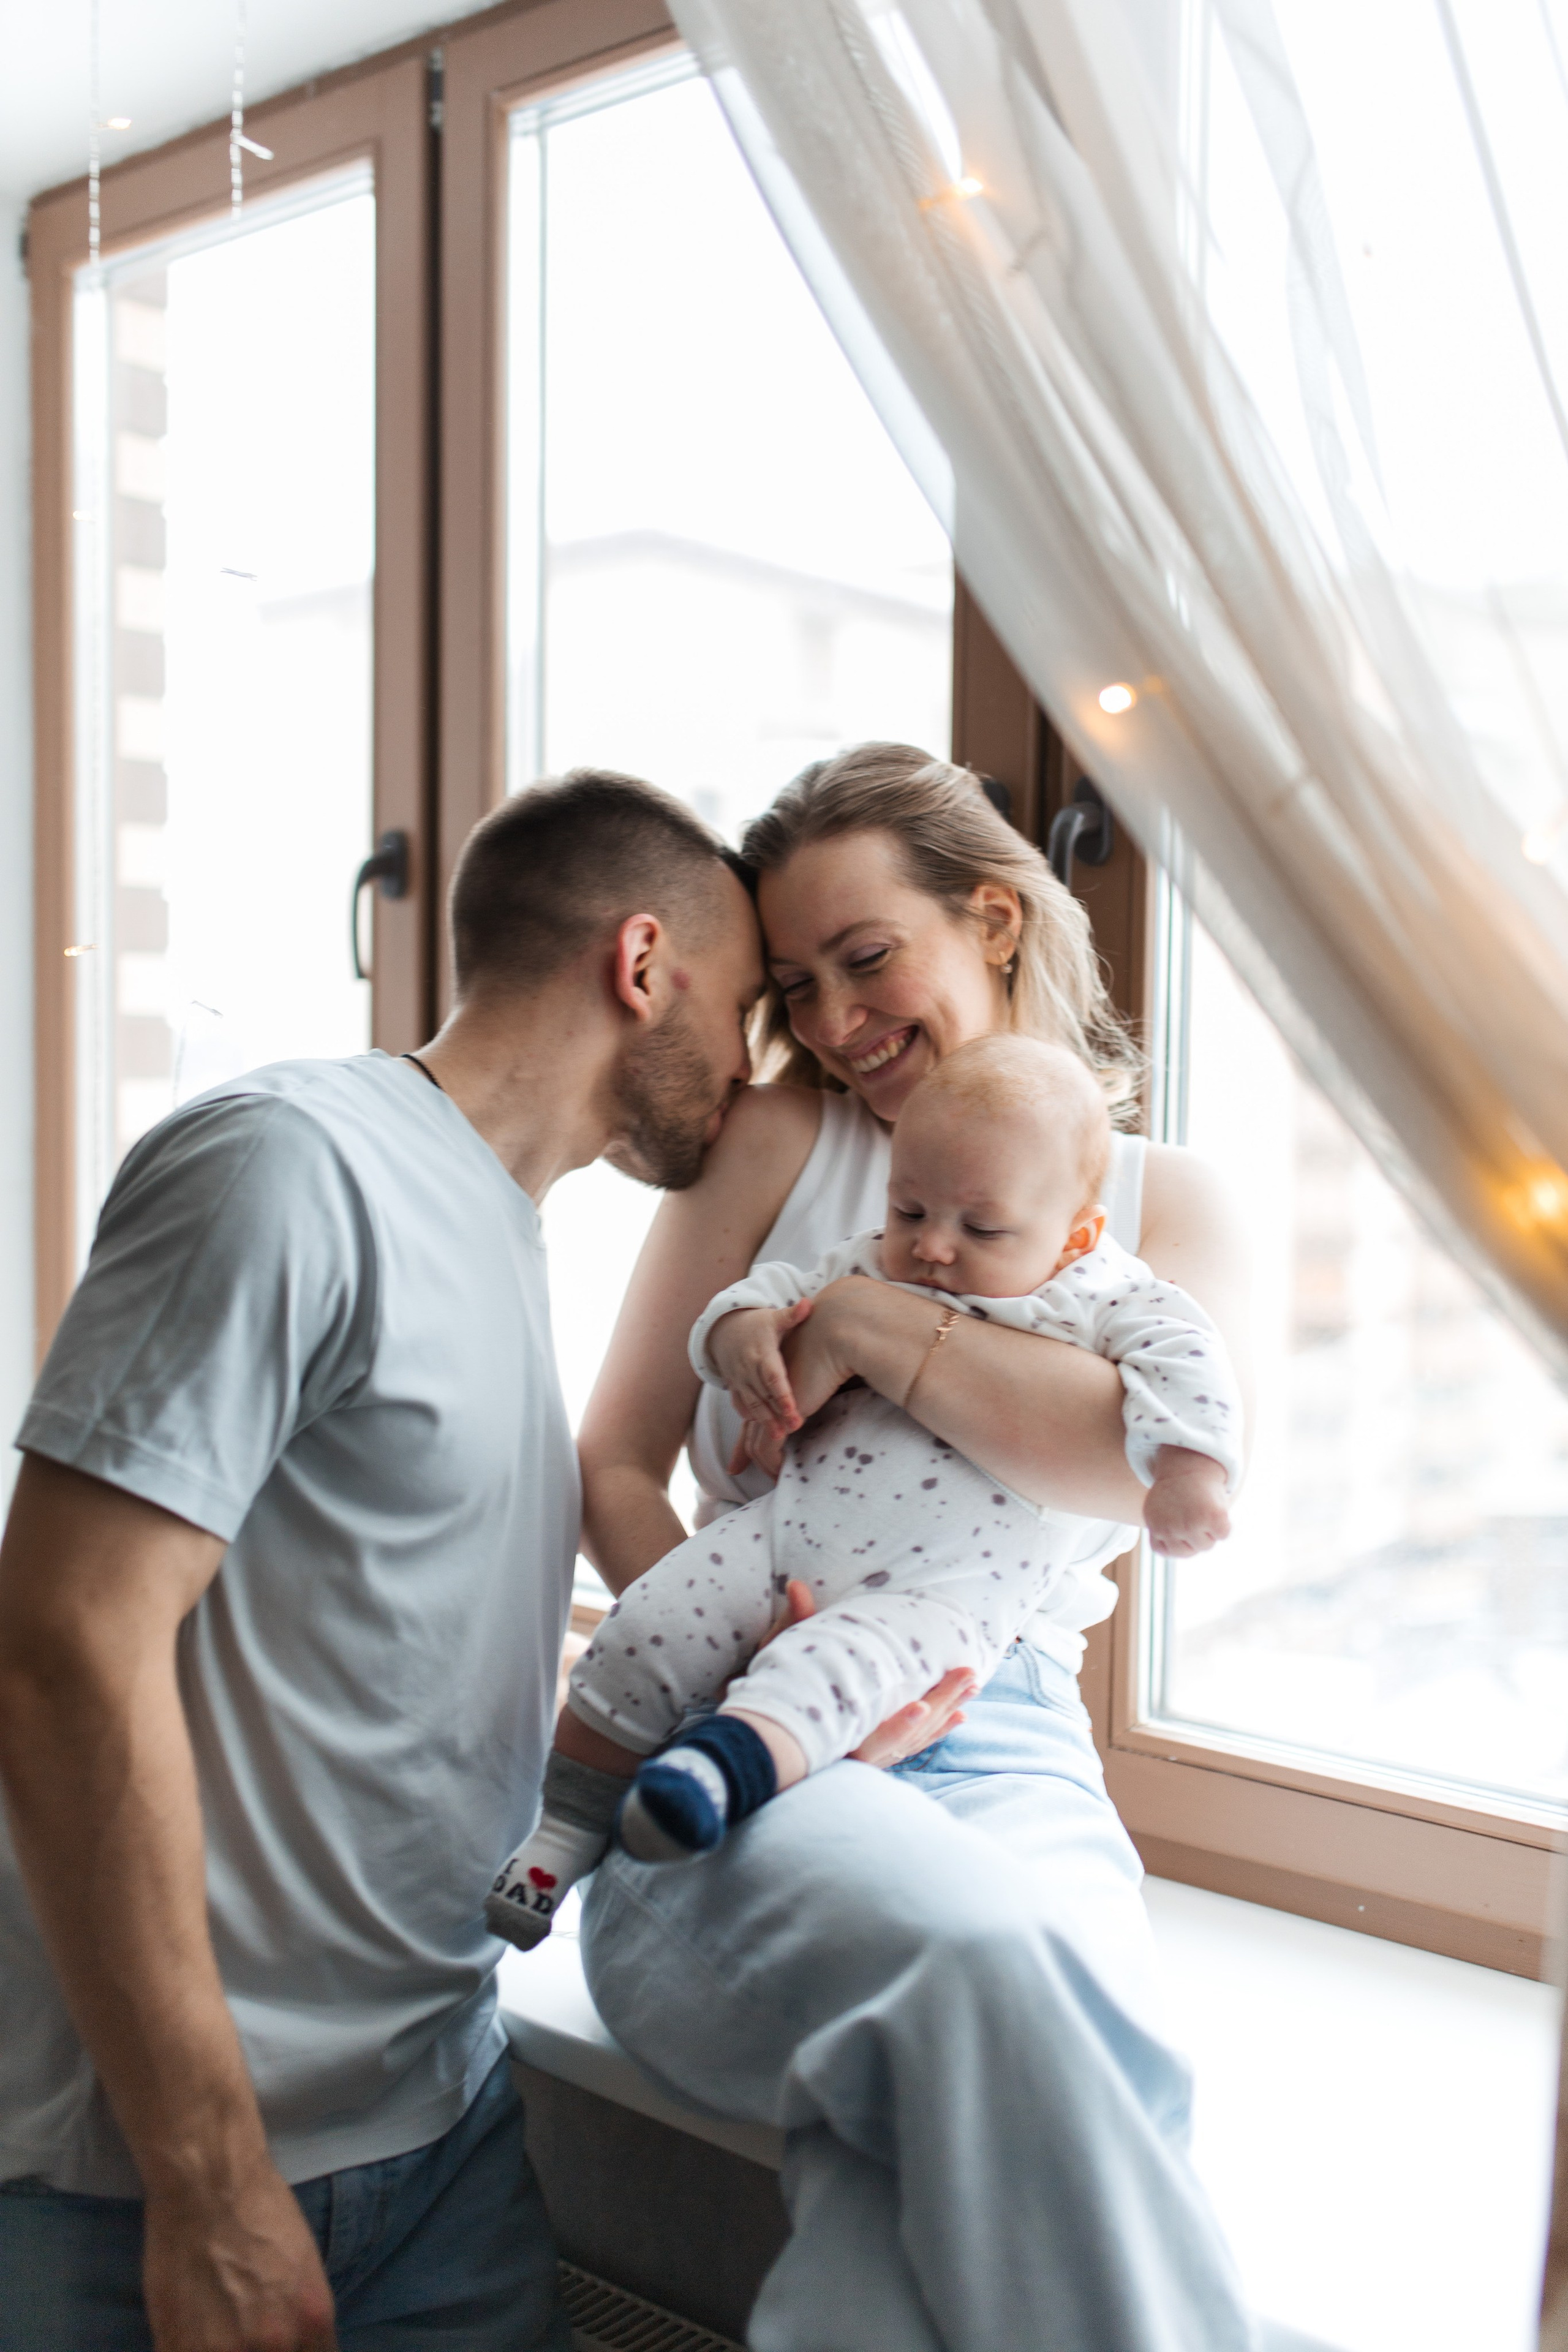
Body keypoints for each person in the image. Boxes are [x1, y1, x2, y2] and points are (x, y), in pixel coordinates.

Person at [0, 771, 764, 2352]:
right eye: (748, 1008)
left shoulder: (499, 1231)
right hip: (155, 2180)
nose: (755, 1074)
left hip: (441, 2126)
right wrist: (207, 2180)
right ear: (643, 965)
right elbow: (61, 1645)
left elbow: (372, 1654)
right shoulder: (289, 1165)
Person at [573, 744, 1260, 2350]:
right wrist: (727, 1663)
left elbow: (1114, 1456)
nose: (832, 1023)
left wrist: (872, 1314)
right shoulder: (776, 1145)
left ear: (999, 922)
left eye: (867, 958)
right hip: (735, 1743)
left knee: (976, 2153)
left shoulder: (1174, 1209)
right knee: (1010, 1988)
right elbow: (610, 1456)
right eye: (797, 986)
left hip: (1003, 1727)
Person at [488, 1033, 1240, 1937]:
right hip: (782, 1535)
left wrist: (1192, 1469)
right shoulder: (868, 1254)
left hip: (937, 1596)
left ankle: (714, 1775)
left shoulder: (1100, 1291)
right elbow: (756, 1297)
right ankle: (563, 1824)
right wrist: (742, 1338)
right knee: (648, 1624)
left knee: (831, 1674)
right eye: (909, 1210)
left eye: (982, 1229)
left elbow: (1186, 1361)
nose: (932, 1250)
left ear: (1078, 1233)